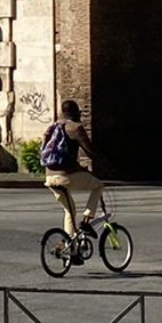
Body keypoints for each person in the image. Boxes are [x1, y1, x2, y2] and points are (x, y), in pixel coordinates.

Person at [42, 100, 105, 242]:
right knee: (98, 185)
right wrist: (105, 163)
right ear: (76, 113)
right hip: (65, 176)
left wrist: (79, 168)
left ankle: (69, 245)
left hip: (49, 177)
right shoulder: (75, 128)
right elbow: (90, 152)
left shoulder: (52, 127)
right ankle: (87, 220)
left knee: (69, 211)